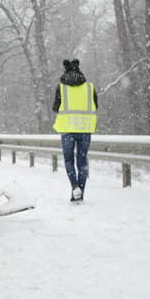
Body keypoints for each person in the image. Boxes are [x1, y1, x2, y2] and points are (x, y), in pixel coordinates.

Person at [52, 59, 98, 203]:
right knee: (82, 161)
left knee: (69, 160)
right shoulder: (90, 87)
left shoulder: (61, 88)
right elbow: (95, 106)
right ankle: (81, 192)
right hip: (85, 129)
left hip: (67, 129)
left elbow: (55, 107)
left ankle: (74, 186)